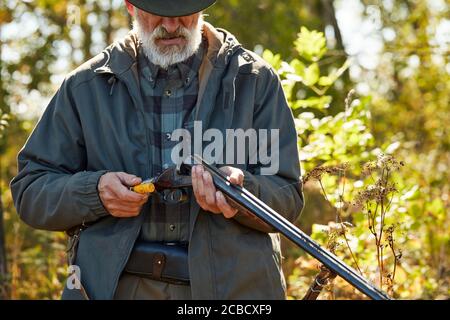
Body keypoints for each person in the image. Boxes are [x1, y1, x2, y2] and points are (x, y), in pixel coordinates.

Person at [10, 0, 304, 300]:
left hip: (234, 294)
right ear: (130, 7)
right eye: (159, 14)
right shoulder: (84, 87)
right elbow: (31, 190)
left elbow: (288, 198)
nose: (172, 26)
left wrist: (241, 194)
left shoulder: (255, 81)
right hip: (111, 290)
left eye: (182, 13)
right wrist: (95, 192)